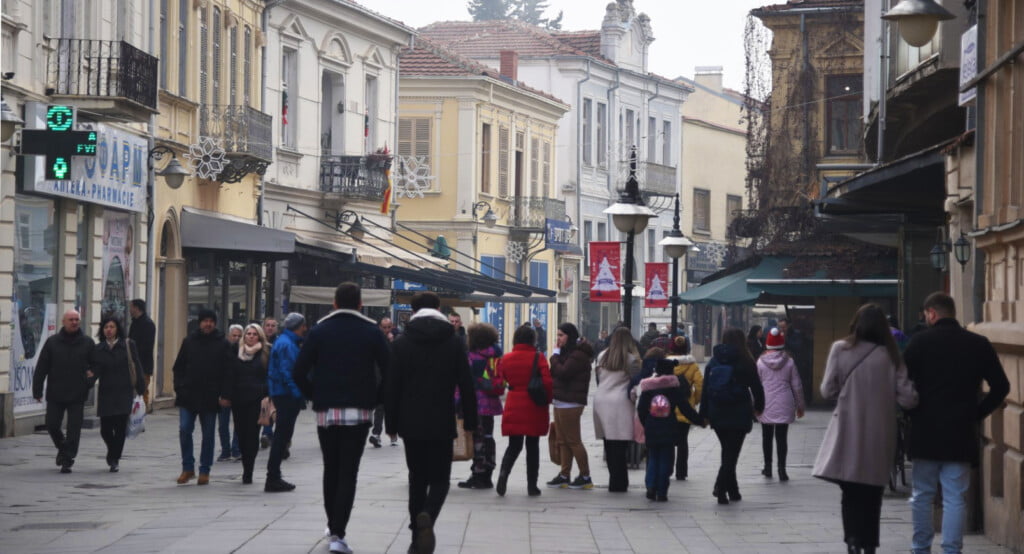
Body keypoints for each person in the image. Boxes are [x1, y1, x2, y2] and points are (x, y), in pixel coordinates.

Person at [903, 292, 1009, 554]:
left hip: (924, 431)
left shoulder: (918, 343)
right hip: (960, 432)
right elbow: (1001, 386)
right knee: (954, 497)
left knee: (922, 495)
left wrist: (908, 411)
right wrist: (977, 412)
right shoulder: (978, 343)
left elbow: (901, 384)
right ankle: (951, 549)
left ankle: (920, 548)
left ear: (931, 313)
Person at [812, 303, 918, 554]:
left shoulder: (840, 349)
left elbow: (827, 390)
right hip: (880, 435)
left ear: (855, 324)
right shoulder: (892, 356)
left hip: (848, 431)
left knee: (850, 493)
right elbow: (908, 399)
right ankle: (870, 543)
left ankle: (852, 540)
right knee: (873, 494)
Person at [292, 283, 390, 554]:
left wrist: (314, 394)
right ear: (360, 304)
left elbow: (299, 370)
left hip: (327, 412)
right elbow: (389, 369)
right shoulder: (371, 332)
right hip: (359, 412)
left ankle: (332, 524)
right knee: (349, 472)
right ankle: (338, 531)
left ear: (334, 303)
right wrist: (376, 397)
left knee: (331, 469)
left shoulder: (319, 331)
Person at [385, 291, 476, 554]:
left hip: (410, 422)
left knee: (416, 479)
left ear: (413, 312)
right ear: (438, 308)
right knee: (440, 480)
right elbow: (466, 383)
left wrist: (391, 423)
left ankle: (416, 536)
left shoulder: (401, 343)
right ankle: (428, 516)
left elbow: (391, 386)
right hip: (441, 420)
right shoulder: (453, 341)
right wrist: (470, 419)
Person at [699, 327, 765, 505]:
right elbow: (757, 387)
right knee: (731, 453)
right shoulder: (746, 360)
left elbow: (705, 390)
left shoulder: (714, 361)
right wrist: (759, 407)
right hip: (739, 410)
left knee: (727, 451)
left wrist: (703, 414)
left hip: (717, 411)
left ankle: (733, 490)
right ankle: (720, 487)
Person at [172, 308, 232, 485]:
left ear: (215, 323)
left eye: (211, 321)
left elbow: (229, 372)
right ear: (199, 323)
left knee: (208, 435)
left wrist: (225, 394)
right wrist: (179, 387)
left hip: (211, 397)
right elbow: (178, 368)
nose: (208, 324)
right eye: (205, 321)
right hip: (188, 395)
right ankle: (187, 467)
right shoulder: (189, 341)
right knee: (184, 430)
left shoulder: (222, 343)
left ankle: (204, 469)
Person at [33, 310, 95, 474]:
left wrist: (88, 382)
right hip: (56, 392)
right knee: (52, 425)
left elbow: (96, 367)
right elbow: (42, 367)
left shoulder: (87, 343)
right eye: (71, 320)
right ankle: (63, 447)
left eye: (77, 319)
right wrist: (37, 389)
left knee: (74, 429)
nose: (74, 322)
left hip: (77, 393)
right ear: (63, 322)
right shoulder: (52, 342)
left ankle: (67, 459)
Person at [494, 325, 552, 497]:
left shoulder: (507, 358)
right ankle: (532, 485)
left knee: (514, 445)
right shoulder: (538, 357)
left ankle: (504, 473)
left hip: (514, 402)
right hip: (533, 404)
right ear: (532, 339)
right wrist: (547, 400)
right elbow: (548, 382)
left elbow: (500, 381)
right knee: (532, 446)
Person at [637, 358, 705, 501]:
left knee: (653, 457)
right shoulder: (674, 388)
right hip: (668, 427)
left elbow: (641, 410)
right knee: (665, 461)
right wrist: (700, 421)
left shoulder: (648, 388)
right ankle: (662, 492)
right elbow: (686, 409)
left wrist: (647, 423)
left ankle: (650, 486)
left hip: (652, 427)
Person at [89, 316, 146, 472]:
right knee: (105, 429)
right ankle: (111, 451)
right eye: (106, 327)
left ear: (117, 329)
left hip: (124, 392)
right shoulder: (99, 349)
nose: (109, 329)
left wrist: (141, 387)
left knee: (120, 428)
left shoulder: (127, 345)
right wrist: (88, 379)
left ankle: (115, 459)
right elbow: (95, 371)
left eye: (112, 327)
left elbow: (137, 365)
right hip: (106, 393)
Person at [547, 322, 596, 490]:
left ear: (570, 336)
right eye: (557, 335)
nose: (558, 339)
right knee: (562, 440)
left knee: (573, 440)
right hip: (561, 400)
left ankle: (585, 475)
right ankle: (564, 474)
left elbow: (563, 372)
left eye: (561, 335)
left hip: (571, 402)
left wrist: (553, 356)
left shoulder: (578, 355)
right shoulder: (567, 353)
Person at [219, 323, 269, 485]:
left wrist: (268, 393)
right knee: (241, 434)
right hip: (239, 399)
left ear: (259, 336)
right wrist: (225, 395)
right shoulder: (235, 352)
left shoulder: (265, 352)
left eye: (255, 334)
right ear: (244, 336)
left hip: (257, 399)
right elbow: (228, 375)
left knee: (252, 435)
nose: (251, 336)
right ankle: (245, 463)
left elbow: (270, 374)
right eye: (248, 334)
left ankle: (249, 470)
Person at [593, 326, 642, 492]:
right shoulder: (631, 360)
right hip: (621, 402)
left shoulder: (602, 356)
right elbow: (636, 383)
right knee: (621, 446)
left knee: (608, 443)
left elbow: (599, 379)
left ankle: (614, 479)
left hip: (601, 401)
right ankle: (620, 482)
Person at [457, 323, 504, 490]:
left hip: (474, 403)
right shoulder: (496, 354)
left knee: (477, 438)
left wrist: (456, 402)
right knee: (488, 437)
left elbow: (462, 382)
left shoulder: (471, 357)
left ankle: (478, 473)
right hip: (490, 402)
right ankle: (488, 472)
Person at [265, 313, 308, 492]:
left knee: (282, 436)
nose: (305, 328)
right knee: (281, 436)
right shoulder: (287, 344)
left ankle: (274, 475)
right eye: (303, 325)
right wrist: (298, 394)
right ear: (298, 326)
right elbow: (288, 372)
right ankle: (273, 477)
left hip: (282, 393)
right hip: (286, 395)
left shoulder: (286, 341)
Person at [756, 327, 804, 481]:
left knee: (766, 437)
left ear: (768, 345)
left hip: (766, 402)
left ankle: (768, 467)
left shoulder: (760, 363)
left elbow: (756, 385)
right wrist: (800, 405)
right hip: (785, 402)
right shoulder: (789, 362)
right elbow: (797, 386)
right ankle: (782, 470)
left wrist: (754, 405)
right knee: (782, 438)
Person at [667, 336, 702, 480]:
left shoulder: (666, 364)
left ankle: (667, 469)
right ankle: (681, 472)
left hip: (668, 407)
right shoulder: (692, 365)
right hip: (685, 407)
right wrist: (695, 401)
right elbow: (700, 384)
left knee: (668, 441)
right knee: (683, 441)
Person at [217, 324, 243, 462]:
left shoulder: (245, 352)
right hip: (224, 393)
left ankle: (236, 449)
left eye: (239, 336)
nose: (237, 338)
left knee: (239, 423)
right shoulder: (222, 351)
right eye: (234, 335)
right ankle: (225, 450)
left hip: (239, 393)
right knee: (222, 424)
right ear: (229, 336)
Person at [369, 317, 395, 449]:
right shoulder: (374, 339)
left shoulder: (396, 340)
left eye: (388, 327)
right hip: (377, 379)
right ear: (380, 327)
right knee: (378, 408)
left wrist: (392, 342)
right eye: (384, 327)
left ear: (392, 327)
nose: (386, 330)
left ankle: (390, 434)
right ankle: (377, 434)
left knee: (387, 408)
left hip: (390, 379)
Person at [128, 299, 155, 410]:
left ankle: (140, 417)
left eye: (131, 307)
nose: (129, 309)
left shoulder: (147, 324)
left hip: (143, 365)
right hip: (133, 364)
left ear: (137, 308)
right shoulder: (135, 322)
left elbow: (146, 347)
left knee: (142, 391)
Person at [260, 317, 280, 449]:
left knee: (269, 407)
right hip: (257, 380)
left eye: (273, 325)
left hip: (273, 381)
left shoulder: (279, 343)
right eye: (268, 325)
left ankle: (267, 433)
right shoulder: (256, 340)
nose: (270, 328)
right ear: (263, 327)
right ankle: (268, 434)